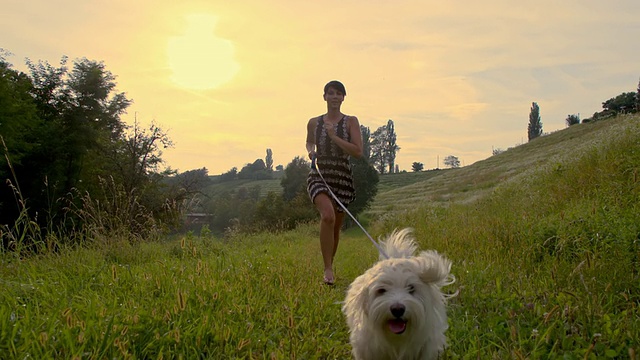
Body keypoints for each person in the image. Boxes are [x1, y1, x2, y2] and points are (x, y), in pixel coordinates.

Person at [306, 80, 363, 285]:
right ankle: (327, 269)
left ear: (343, 98)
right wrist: (311, 150)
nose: (335, 97)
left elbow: (357, 151)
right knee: (327, 216)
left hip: (342, 177)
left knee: (336, 226)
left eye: (339, 94)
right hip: (320, 174)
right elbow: (310, 140)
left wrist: (333, 136)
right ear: (324, 97)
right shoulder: (314, 122)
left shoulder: (350, 122)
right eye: (331, 93)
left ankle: (330, 265)